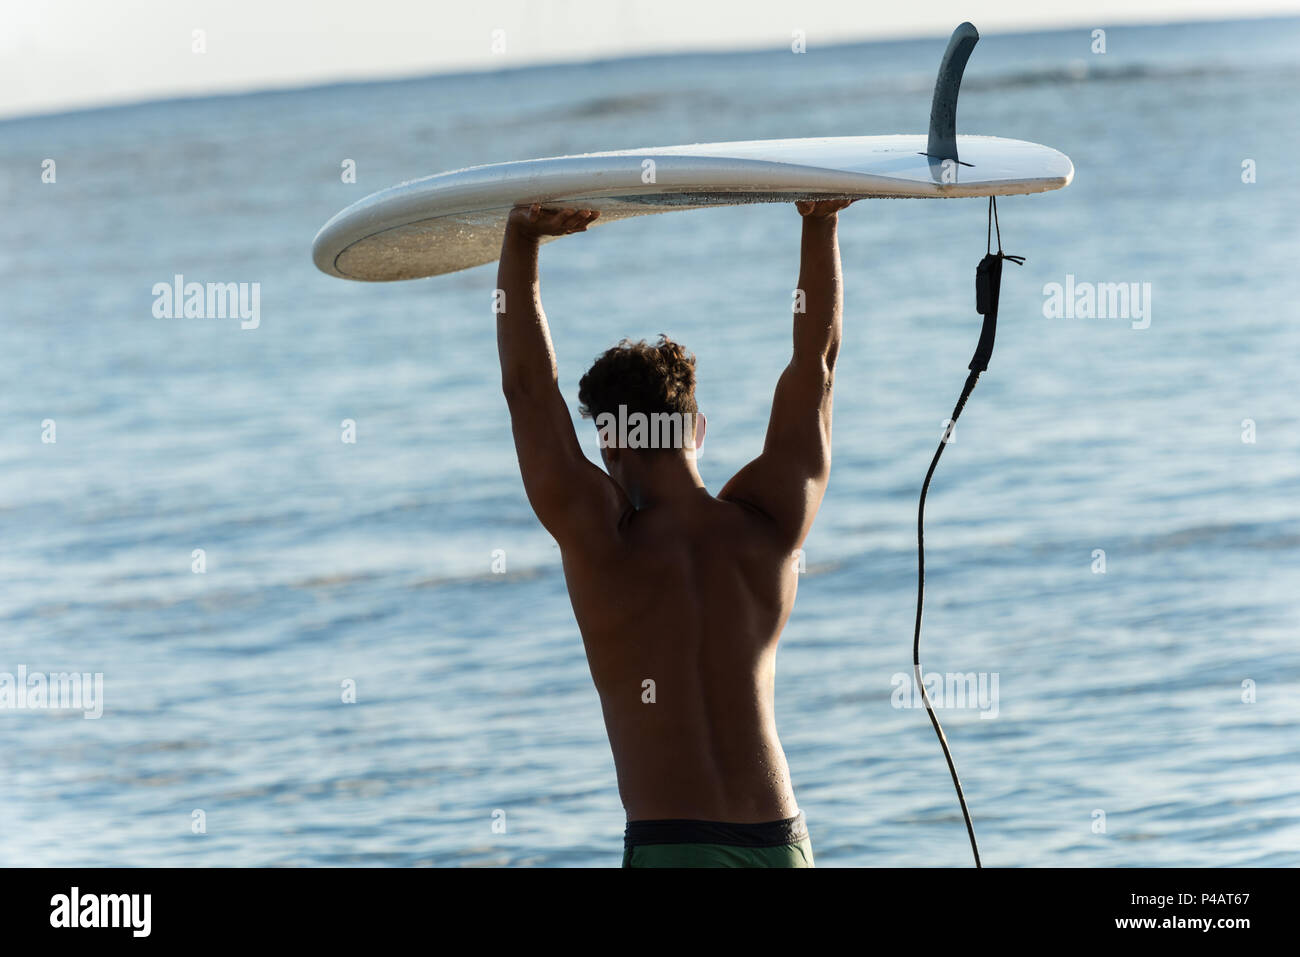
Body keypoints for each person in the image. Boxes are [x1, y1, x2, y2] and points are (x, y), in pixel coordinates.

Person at [494, 198, 851, 866]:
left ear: (609, 444)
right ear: (698, 428)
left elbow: (526, 391)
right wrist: (819, 221)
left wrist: (522, 242)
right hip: (781, 841)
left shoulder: (606, 544)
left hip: (672, 846)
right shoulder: (768, 525)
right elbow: (818, 363)